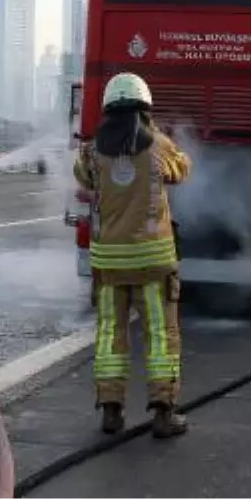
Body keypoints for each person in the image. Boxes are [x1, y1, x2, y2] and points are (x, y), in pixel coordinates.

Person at [73, 72, 192, 439]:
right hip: (152, 262)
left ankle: (111, 410)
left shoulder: (91, 151)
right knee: (160, 335)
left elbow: (85, 181)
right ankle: (162, 412)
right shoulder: (159, 145)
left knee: (110, 333)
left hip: (109, 262)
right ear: (145, 108)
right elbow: (181, 171)